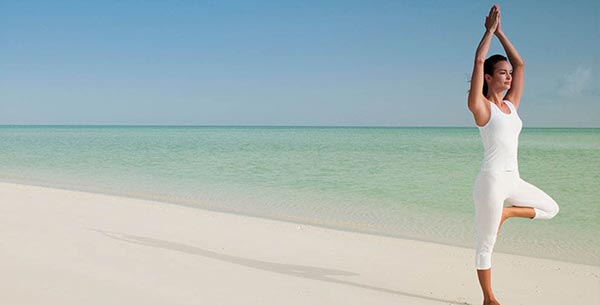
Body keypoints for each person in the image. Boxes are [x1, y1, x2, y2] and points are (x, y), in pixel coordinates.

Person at [467, 4, 560, 305]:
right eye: (502, 74)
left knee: (550, 208)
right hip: (491, 182)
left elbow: (521, 65)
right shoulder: (482, 108)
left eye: (508, 75)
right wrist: (488, 32)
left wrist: (502, 33)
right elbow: (479, 59)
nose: (508, 78)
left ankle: (508, 213)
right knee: (486, 244)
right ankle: (489, 298)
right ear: (489, 78)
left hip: (513, 179)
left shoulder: (511, 105)